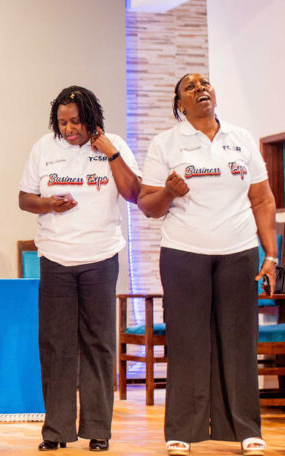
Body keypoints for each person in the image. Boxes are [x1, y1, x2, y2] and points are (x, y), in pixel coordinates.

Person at [137, 74, 274, 456]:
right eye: (190, 87)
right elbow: (147, 206)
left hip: (239, 251)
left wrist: (271, 255)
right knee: (187, 341)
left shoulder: (240, 138)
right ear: (179, 103)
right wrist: (168, 191)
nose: (201, 89)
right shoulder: (166, 143)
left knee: (239, 340)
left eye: (205, 83)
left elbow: (262, 200)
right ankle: (183, 430)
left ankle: (245, 429)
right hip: (184, 252)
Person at [18, 86, 141, 452]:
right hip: (55, 258)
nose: (69, 129)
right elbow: (24, 198)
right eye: (62, 122)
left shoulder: (114, 145)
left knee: (98, 343)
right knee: (55, 345)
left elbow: (134, 193)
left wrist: (111, 152)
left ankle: (98, 429)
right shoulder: (44, 148)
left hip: (100, 258)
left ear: (91, 118)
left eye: (75, 121)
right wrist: (47, 204)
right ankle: (56, 431)